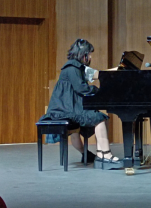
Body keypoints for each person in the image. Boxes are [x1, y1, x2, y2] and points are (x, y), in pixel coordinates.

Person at [41, 38, 122, 170]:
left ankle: (90, 154)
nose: (90, 57)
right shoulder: (72, 68)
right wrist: (96, 90)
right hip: (65, 109)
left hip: (65, 107)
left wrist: (120, 69)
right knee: (99, 118)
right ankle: (105, 155)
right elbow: (81, 88)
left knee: (82, 126)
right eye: (89, 54)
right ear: (83, 54)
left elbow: (98, 74)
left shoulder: (77, 67)